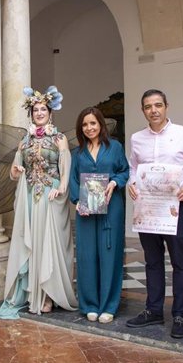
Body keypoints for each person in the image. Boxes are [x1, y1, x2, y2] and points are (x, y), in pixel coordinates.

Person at [0, 86, 78, 319]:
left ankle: (49, 294)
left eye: (43, 109)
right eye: (35, 110)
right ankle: (33, 294)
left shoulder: (59, 139)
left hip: (50, 196)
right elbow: (12, 172)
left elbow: (65, 169)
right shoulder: (25, 140)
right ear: (31, 114)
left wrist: (60, 189)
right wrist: (17, 168)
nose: (39, 113)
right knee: (31, 244)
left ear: (50, 113)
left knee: (49, 243)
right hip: (30, 196)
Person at [126, 89, 183, 339]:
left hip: (175, 207)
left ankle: (180, 315)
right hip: (148, 209)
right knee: (152, 261)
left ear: (167, 106)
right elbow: (134, 168)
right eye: (148, 106)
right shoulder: (137, 138)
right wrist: (132, 184)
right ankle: (154, 310)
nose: (154, 110)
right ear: (143, 110)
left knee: (180, 262)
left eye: (158, 105)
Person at [69, 107, 129, 324]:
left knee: (110, 255)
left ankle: (108, 306)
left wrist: (115, 182)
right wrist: (76, 200)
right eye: (85, 124)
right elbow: (73, 179)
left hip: (111, 207)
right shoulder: (77, 153)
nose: (89, 128)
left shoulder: (115, 147)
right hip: (85, 209)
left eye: (93, 123)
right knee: (86, 256)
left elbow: (125, 171)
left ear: (101, 124)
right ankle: (89, 304)